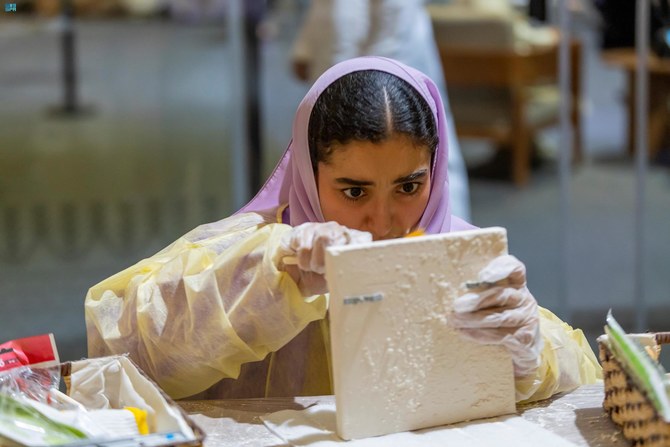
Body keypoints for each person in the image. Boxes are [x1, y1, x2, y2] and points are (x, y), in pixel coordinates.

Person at [85, 57, 600, 403]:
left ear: (435, 172)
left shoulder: (463, 258)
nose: (385, 223)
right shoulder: (259, 253)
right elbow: (118, 353)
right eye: (354, 192)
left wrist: (529, 353)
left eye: (409, 186)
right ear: (309, 177)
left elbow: (587, 386)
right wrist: (273, 280)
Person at [290, 0, 472, 221]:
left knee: (418, 163)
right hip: (374, 69)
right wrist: (307, 50)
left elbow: (348, 16)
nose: (382, 225)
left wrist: (338, 82)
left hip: (379, 77)